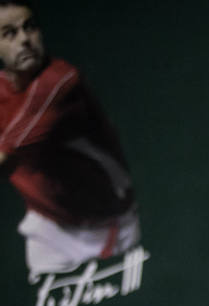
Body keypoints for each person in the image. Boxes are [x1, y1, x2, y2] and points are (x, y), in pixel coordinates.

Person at [0, 2, 141, 278]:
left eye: (30, 28)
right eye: (9, 33)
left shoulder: (59, 82)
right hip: (47, 223)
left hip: (104, 225)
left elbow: (5, 160)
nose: (25, 40)